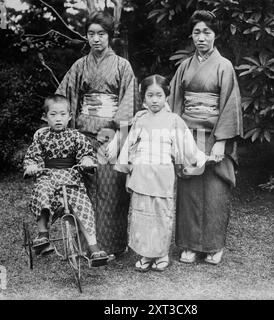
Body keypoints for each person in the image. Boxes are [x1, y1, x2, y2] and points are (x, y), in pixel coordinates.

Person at [55, 11, 137, 259]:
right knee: (83, 191)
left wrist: (116, 134)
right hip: (82, 135)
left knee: (110, 190)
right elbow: (64, 98)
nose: (96, 39)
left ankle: (111, 246)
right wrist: (64, 132)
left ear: (110, 36)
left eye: (101, 34)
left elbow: (128, 103)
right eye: (91, 34)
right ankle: (86, 245)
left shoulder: (123, 66)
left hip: (110, 136)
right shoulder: (79, 66)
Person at [168, 10, 243, 265]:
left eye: (207, 32)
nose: (201, 37)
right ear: (191, 35)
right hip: (188, 134)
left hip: (213, 135)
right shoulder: (184, 67)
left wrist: (222, 140)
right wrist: (174, 136)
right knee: (189, 190)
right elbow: (175, 103)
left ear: (215, 35)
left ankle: (213, 246)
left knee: (215, 191)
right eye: (197, 32)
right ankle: (189, 245)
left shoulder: (224, 66)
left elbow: (230, 105)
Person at [115, 75, 209, 272]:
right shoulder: (140, 120)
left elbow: (187, 146)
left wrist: (201, 158)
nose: (155, 100)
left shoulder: (174, 120)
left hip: (162, 173)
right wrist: (127, 168)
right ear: (144, 98)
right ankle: (145, 254)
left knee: (161, 213)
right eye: (150, 95)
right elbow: (130, 147)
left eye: (159, 95)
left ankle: (161, 253)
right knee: (141, 214)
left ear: (166, 96)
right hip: (141, 172)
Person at [23, 94, 107, 261]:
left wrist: (87, 161)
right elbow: (33, 155)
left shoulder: (76, 136)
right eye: (53, 115)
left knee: (84, 205)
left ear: (70, 116)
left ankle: (93, 247)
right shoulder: (41, 136)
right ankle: (43, 234)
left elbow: (85, 153)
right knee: (41, 191)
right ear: (45, 117)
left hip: (71, 178)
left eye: (62, 114)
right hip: (48, 176)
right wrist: (31, 166)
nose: (58, 119)